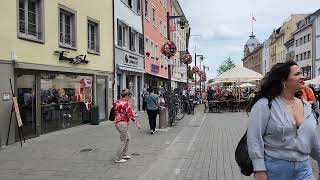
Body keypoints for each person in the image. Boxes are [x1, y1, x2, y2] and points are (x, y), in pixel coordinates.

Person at [247, 61, 320, 180]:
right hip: (275, 170)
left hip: (304, 169)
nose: (302, 77)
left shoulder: (306, 105)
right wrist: (259, 169)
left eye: (301, 73)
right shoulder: (265, 105)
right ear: (283, 80)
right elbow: (254, 138)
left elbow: (313, 139)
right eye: (297, 74)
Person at [113, 89, 140, 163]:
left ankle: (124, 154)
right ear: (127, 96)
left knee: (128, 138)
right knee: (123, 140)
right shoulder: (125, 104)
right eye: (129, 96)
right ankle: (118, 158)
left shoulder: (117, 102)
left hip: (117, 122)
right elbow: (131, 114)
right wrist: (137, 123)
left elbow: (114, 112)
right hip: (122, 123)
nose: (130, 98)